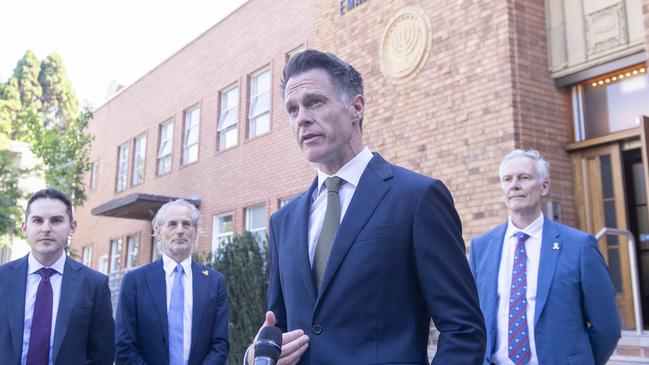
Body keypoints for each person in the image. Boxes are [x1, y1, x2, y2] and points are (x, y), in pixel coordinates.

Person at [246, 49, 486, 365]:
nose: (302, 118)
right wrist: (257, 355)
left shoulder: (417, 198)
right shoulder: (283, 221)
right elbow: (279, 328)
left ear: (356, 107)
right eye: (292, 109)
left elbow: (463, 330)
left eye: (315, 102)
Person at [470, 149, 621, 364]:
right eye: (507, 179)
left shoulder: (579, 246)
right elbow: (472, 317)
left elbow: (607, 325)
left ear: (544, 186)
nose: (514, 185)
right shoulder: (481, 247)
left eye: (524, 177)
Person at [0, 188, 115, 365]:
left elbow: (102, 355)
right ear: (24, 227)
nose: (46, 228)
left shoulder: (94, 285)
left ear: (72, 227)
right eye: (37, 221)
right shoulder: (3, 278)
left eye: (56, 221)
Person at [115, 199, 229, 365]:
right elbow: (124, 345)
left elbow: (220, 343)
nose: (180, 231)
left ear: (195, 231)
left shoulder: (214, 281)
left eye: (186, 224)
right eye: (173, 224)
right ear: (159, 231)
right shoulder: (135, 281)